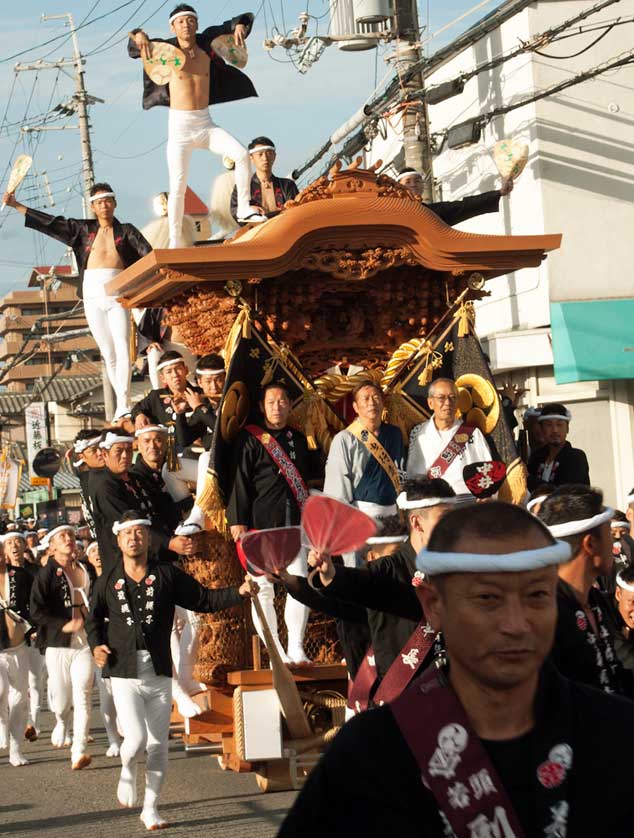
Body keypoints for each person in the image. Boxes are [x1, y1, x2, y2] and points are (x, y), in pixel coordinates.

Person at [280, 502, 634, 837]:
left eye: (536, 595)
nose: (516, 623)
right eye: (487, 598)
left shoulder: (616, 732)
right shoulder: (370, 756)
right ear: (434, 606)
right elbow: (370, 590)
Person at [86, 511, 256, 831]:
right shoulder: (108, 580)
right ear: (119, 541)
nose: (134, 538)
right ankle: (126, 769)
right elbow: (93, 620)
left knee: (158, 745)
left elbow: (204, 599)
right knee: (135, 738)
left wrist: (239, 592)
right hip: (124, 673)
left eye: (140, 532)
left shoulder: (167, 575)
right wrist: (97, 645)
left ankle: (150, 808)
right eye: (128, 534)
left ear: (149, 538)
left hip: (161, 673)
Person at [2, 183, 151, 421]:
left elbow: (147, 254)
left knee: (123, 345)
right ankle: (122, 402)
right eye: (99, 202)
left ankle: (123, 402)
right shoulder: (82, 230)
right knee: (107, 351)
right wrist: (17, 205)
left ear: (115, 203)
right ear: (93, 206)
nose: (104, 206)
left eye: (108, 201)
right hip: (92, 295)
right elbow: (51, 223)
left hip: (117, 293)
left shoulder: (126, 231)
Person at [308, 478, 456, 709]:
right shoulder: (387, 571)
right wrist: (329, 575)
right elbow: (358, 584)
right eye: (445, 519)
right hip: (404, 702)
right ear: (417, 523)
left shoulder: (460, 572)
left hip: (452, 698)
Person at [128, 4, 265, 245]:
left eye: (190, 21)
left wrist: (241, 24)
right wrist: (138, 35)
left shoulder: (207, 42)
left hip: (205, 123)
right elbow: (134, 48)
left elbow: (237, 20)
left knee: (242, 155)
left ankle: (243, 207)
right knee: (178, 185)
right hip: (180, 127)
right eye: (180, 22)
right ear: (173, 26)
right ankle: (174, 240)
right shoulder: (165, 49)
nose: (186, 25)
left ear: (197, 24)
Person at [227, 382, 318, 664]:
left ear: (290, 405)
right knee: (263, 588)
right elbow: (239, 481)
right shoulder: (250, 439)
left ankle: (296, 646)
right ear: (261, 406)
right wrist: (237, 520)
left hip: (294, 523)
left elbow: (312, 480)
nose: (277, 407)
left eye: (282, 402)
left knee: (299, 583)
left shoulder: (300, 439)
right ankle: (275, 649)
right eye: (271, 402)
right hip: (259, 523)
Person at [538, 485, 634, 697]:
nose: (614, 544)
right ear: (590, 544)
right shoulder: (544, 613)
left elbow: (614, 672)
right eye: (609, 535)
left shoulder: (595, 600)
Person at [30, 524, 94, 769]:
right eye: (61, 536)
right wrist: (63, 625)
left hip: (84, 643)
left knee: (84, 694)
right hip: (59, 644)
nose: (68, 539)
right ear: (52, 545)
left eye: (70, 534)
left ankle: (79, 750)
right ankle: (60, 721)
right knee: (61, 698)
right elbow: (36, 611)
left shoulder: (85, 569)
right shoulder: (46, 574)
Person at [91, 428, 196, 572]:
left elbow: (161, 510)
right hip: (127, 567)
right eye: (119, 451)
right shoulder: (105, 488)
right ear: (104, 454)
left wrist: (192, 503)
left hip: (156, 558)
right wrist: (168, 543)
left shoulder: (136, 479)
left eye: (128, 451)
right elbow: (130, 526)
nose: (125, 456)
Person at [324, 380, 405, 566]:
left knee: (390, 571)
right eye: (365, 399)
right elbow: (338, 485)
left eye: (376, 397)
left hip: (391, 519)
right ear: (355, 406)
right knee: (359, 575)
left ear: (383, 402)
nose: (371, 402)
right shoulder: (344, 439)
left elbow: (400, 473)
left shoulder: (394, 434)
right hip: (357, 519)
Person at [407, 378, 491, 497]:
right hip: (433, 502)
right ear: (430, 403)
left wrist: (485, 498)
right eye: (441, 398)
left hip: (467, 503)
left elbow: (486, 470)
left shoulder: (472, 433)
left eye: (452, 398)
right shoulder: (419, 433)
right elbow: (413, 475)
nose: (447, 403)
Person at [173, 352, 226, 532]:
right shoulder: (205, 406)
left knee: (205, 456)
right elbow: (184, 440)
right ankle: (188, 513)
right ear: (199, 382)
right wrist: (180, 414)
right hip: (211, 471)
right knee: (170, 468)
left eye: (218, 380)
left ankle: (199, 514)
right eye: (208, 381)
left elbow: (223, 434)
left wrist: (200, 408)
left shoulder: (235, 399)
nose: (214, 386)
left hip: (231, 464)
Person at [84, 541, 121, 758]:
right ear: (88, 558)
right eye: (92, 552)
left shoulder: (116, 576)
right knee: (107, 695)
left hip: (120, 639)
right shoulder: (85, 581)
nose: (98, 555)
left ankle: (131, 731)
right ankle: (113, 739)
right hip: (98, 642)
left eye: (100, 549)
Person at [0, 533, 33, 767]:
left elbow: (36, 603)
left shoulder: (20, 576)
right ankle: (1, 725)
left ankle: (16, 748)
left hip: (18, 647)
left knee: (19, 699)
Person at [396, 167, 514, 225]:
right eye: (407, 182)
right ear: (398, 187)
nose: (413, 185)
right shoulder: (392, 210)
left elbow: (464, 206)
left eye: (417, 181)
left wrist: (499, 193)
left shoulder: (433, 212)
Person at [230, 136, 298, 221]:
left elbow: (296, 211)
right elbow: (235, 210)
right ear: (251, 157)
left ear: (274, 156)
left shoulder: (287, 185)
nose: (265, 158)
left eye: (269, 153)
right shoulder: (243, 186)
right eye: (260, 154)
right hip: (256, 232)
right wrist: (249, 210)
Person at [528, 403, 590, 490]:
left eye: (559, 425)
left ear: (567, 428)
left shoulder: (576, 457)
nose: (555, 430)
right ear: (542, 429)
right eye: (549, 425)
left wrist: (529, 479)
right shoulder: (536, 457)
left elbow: (566, 494)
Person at [72, 428, 105, 539]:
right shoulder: (90, 480)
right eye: (94, 450)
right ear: (82, 456)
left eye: (102, 447)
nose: (100, 453)